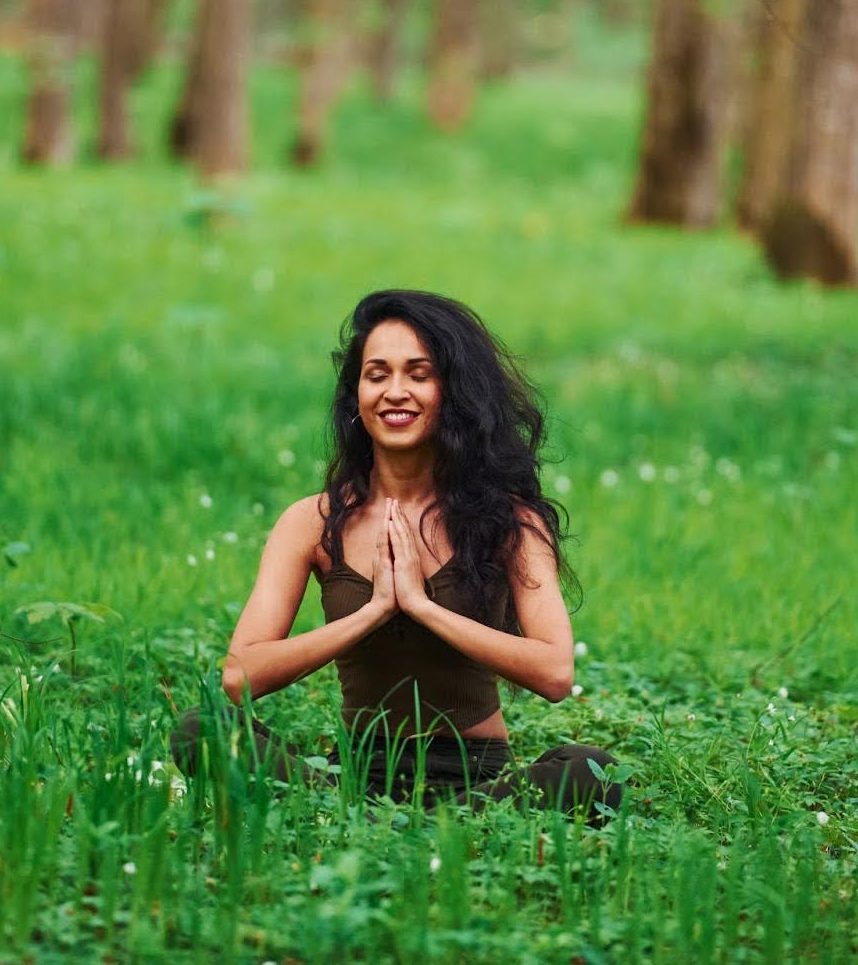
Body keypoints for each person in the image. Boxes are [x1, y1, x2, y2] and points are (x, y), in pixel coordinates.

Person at [172, 290, 620, 817]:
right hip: (353, 773)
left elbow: (555, 673)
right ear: (356, 394)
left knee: (595, 772)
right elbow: (239, 676)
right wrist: (372, 612)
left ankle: (441, 820)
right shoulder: (311, 522)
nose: (395, 392)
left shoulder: (509, 522)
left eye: (419, 374)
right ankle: (357, 811)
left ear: (453, 391)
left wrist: (422, 606)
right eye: (377, 374)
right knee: (200, 728)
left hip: (475, 777)